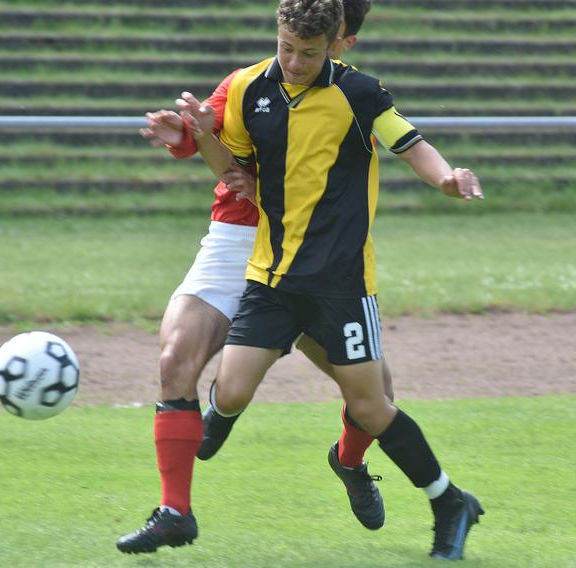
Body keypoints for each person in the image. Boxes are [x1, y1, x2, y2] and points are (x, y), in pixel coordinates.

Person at [119, 0, 484, 559]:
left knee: (371, 401)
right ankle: (177, 507)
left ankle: (425, 490)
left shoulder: (358, 93)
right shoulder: (249, 86)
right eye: (286, 47)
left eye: (308, 52)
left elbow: (409, 142)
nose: (293, 60)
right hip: (267, 264)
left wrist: (447, 180)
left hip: (337, 278)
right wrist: (192, 135)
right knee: (219, 384)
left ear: (339, 41)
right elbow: (225, 159)